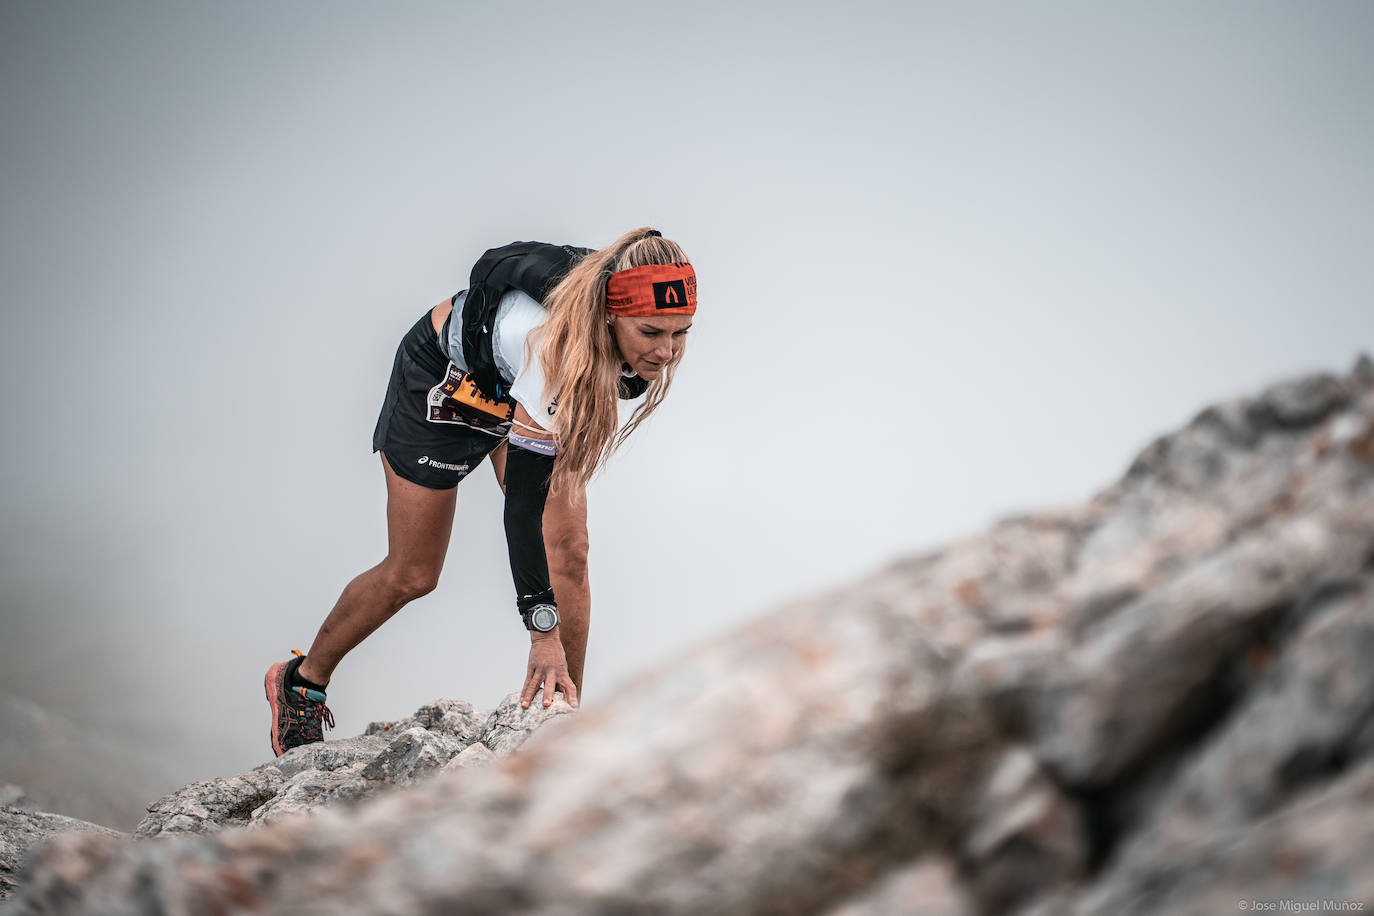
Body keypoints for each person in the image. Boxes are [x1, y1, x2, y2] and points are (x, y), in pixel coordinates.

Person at [263, 227, 696, 756]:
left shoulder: (607, 334)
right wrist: (542, 634)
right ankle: (301, 681)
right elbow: (522, 507)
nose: (666, 351)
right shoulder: (556, 346)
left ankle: (561, 725)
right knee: (413, 573)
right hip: (443, 382)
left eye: (681, 333)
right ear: (609, 315)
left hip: (519, 389)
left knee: (570, 549)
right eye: (651, 332)